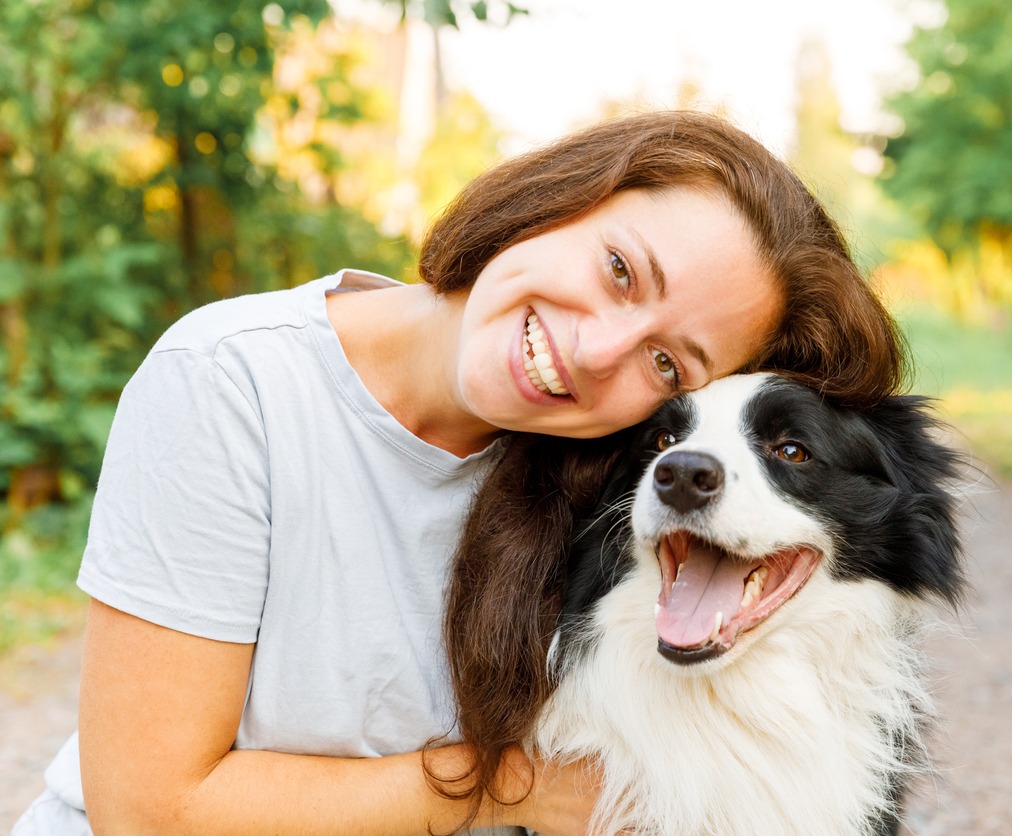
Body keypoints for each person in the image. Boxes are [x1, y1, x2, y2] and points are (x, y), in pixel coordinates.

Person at [12, 110, 905, 835]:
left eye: (669, 364)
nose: (594, 349)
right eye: (619, 270)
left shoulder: (607, 471)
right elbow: (150, 811)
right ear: (565, 195)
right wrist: (508, 787)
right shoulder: (230, 379)